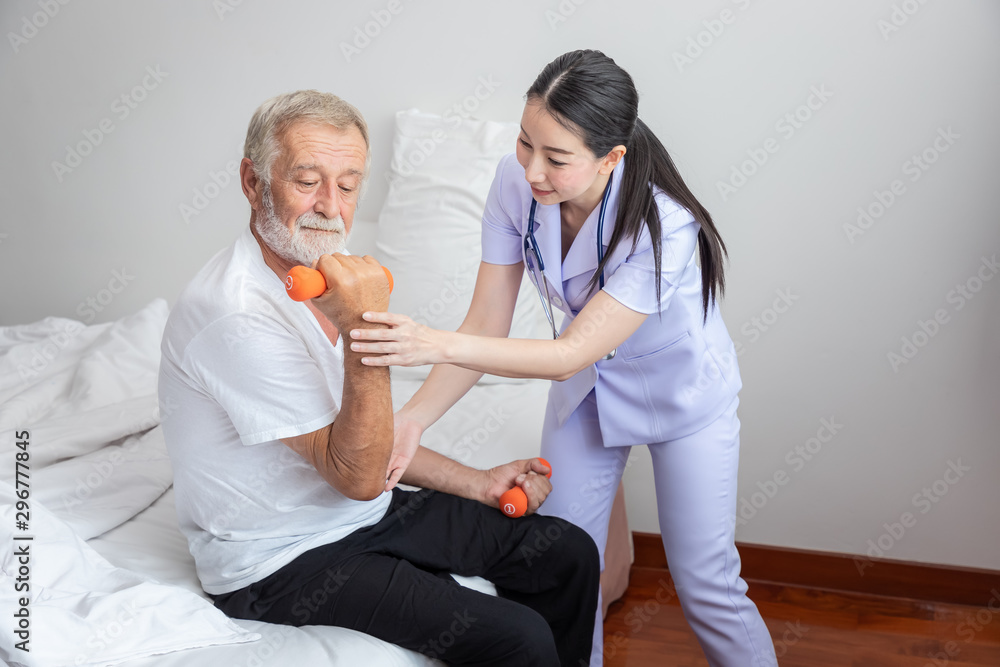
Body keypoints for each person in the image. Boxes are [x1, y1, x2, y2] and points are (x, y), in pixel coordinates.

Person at [349, 51, 779, 666]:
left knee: (705, 580)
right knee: (568, 560)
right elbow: (486, 322)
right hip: (589, 393)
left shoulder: (665, 227)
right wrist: (413, 420)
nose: (532, 171)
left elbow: (566, 351)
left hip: (681, 397)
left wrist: (431, 341)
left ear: (612, 158)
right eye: (526, 144)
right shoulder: (512, 182)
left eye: (556, 158)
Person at [158, 89, 599, 667]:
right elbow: (359, 475)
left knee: (565, 552)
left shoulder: (315, 268)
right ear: (252, 181)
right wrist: (364, 325)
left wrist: (477, 483)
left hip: (357, 512)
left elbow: (357, 440)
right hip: (280, 560)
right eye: (306, 180)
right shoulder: (232, 314)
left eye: (347, 185)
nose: (330, 207)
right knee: (519, 638)